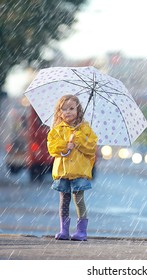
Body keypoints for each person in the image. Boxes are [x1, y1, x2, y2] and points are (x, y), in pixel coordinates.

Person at [47, 95, 98, 241]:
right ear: (59, 112)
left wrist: (79, 139)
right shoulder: (56, 130)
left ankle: (81, 231)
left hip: (79, 171)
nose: (68, 112)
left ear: (78, 110)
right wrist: (65, 146)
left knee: (79, 199)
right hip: (62, 171)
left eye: (71, 108)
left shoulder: (85, 129)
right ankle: (64, 230)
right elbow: (52, 148)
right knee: (64, 200)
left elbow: (91, 148)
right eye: (64, 109)